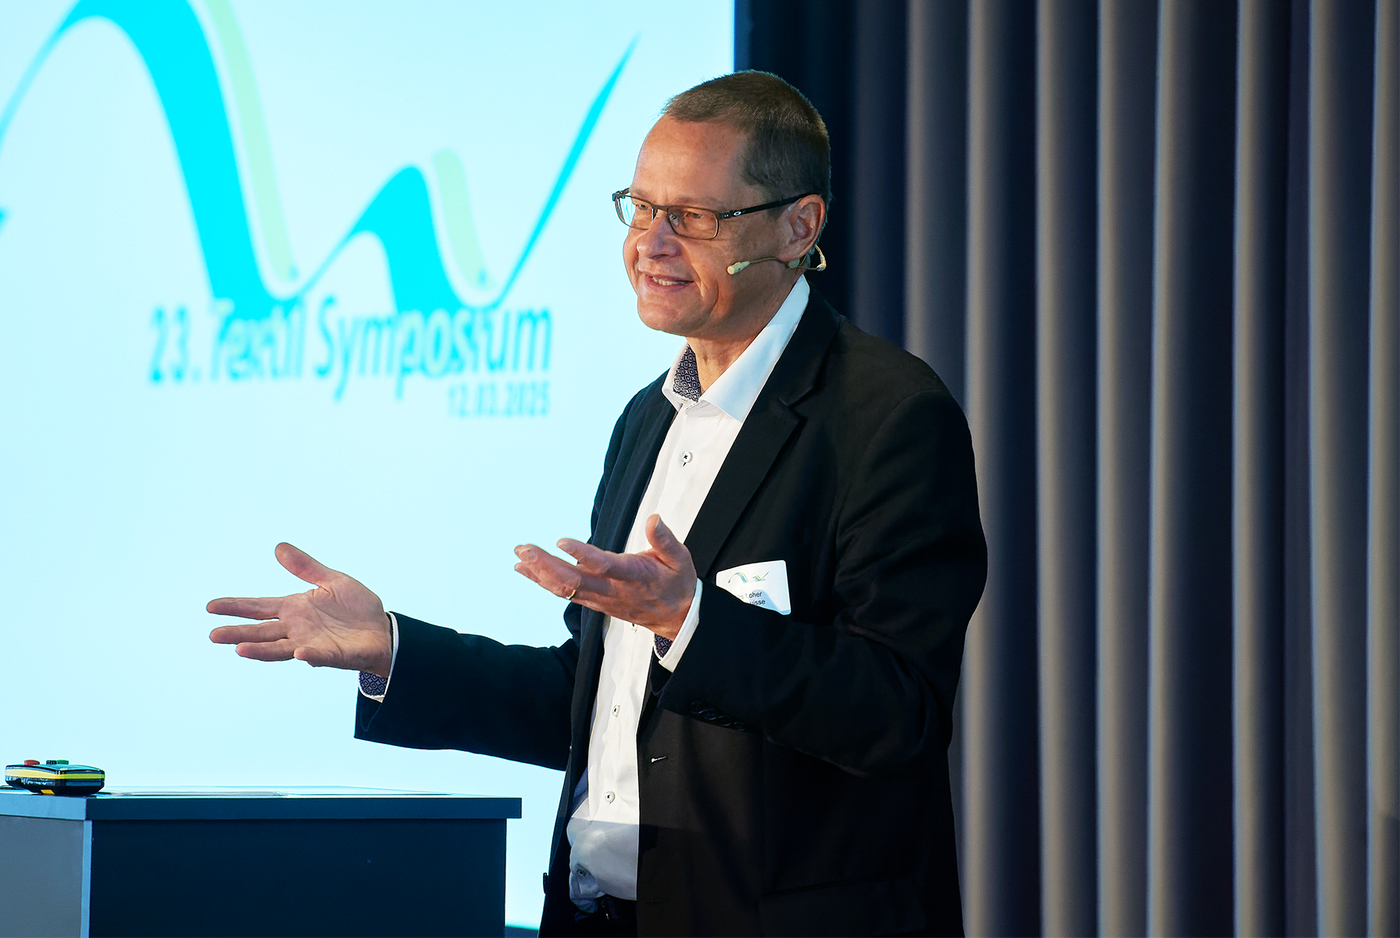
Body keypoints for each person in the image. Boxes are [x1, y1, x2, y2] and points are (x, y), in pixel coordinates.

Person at [209, 71, 986, 937]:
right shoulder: (649, 418)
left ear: (798, 227)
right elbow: (594, 698)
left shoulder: (886, 417)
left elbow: (898, 713)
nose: (650, 244)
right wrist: (395, 649)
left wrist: (691, 623)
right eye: (641, 208)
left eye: (693, 217)